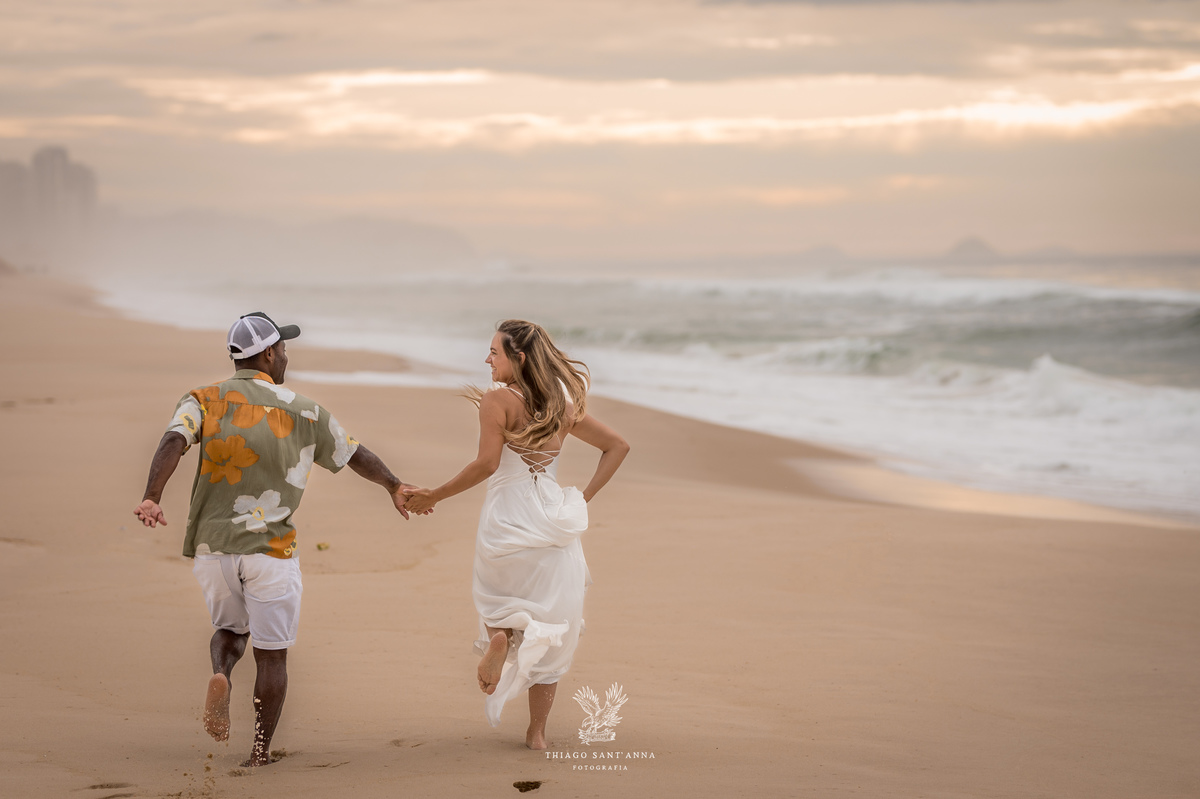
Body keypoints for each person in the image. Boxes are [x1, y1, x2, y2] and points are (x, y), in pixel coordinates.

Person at [133, 312, 421, 767]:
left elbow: (173, 440)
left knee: (229, 631)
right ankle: (259, 752)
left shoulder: (202, 399)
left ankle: (221, 674)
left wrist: (152, 497)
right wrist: (394, 485)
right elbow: (354, 455)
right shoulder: (304, 409)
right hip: (270, 553)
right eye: (283, 348)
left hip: (213, 549)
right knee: (272, 656)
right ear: (268, 353)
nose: (286, 354)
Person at [403, 319, 629, 750]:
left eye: (494, 352)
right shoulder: (562, 402)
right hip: (553, 519)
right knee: (553, 623)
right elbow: (618, 445)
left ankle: (499, 640)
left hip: (507, 517)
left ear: (518, 358)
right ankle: (537, 733)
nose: (487, 359)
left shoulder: (497, 401)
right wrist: (581, 499)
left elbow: (487, 464)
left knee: (496, 599)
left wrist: (436, 494)